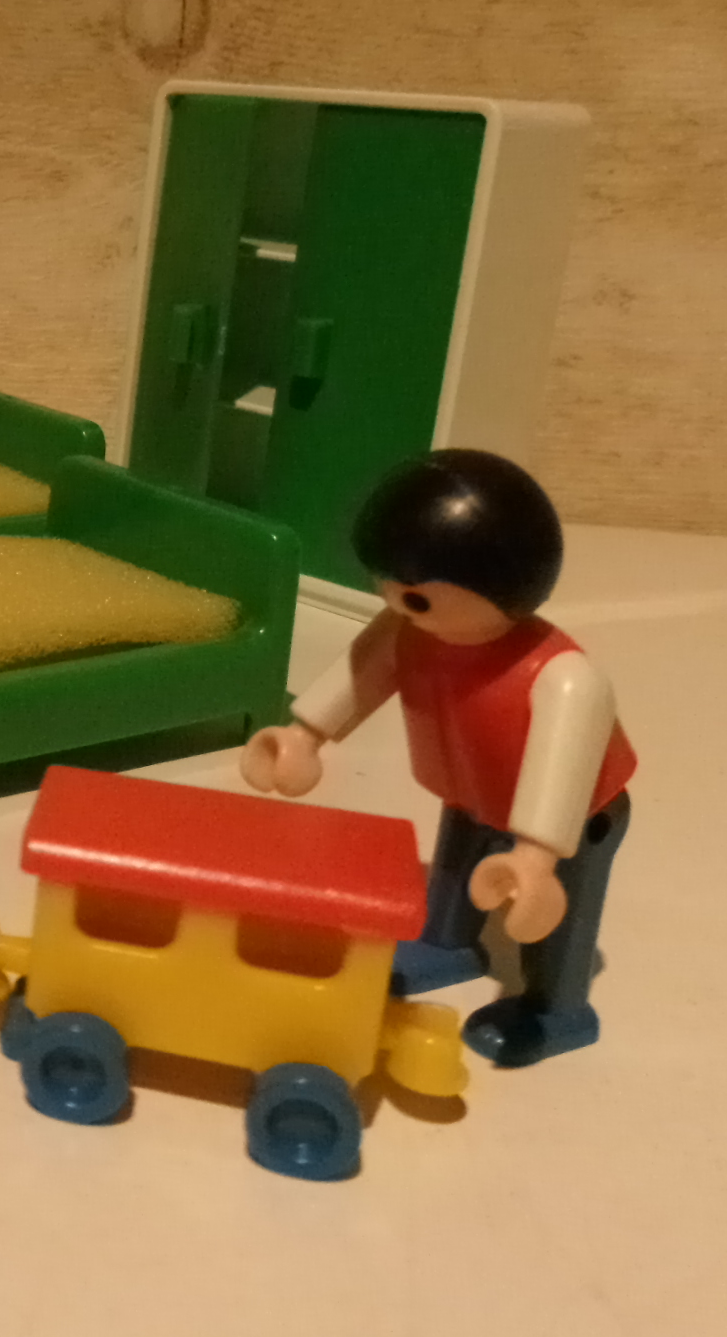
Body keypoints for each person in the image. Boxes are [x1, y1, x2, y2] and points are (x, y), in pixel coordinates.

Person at [240, 449, 635, 1067]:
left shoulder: (564, 677)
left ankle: (556, 1008)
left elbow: (564, 771)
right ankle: (449, 944)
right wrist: (303, 736)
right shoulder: (408, 629)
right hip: (473, 792)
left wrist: (535, 857)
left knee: (557, 915)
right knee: (455, 870)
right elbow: (361, 675)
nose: (398, 604)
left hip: (576, 821)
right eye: (387, 586)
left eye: (416, 596)